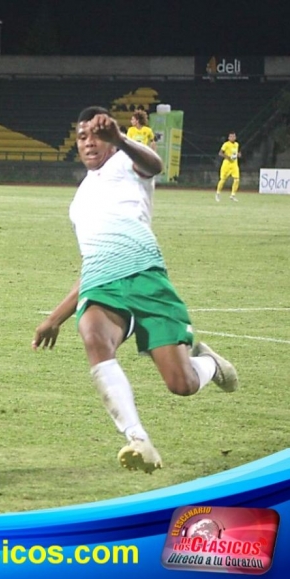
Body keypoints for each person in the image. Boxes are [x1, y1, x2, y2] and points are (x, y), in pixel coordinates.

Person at [32, 106, 238, 474]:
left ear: (109, 137)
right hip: (103, 284)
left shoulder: (128, 163)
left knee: (181, 384)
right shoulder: (78, 202)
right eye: (82, 137)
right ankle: (138, 439)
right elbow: (94, 264)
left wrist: (121, 139)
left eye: (96, 135)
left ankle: (208, 364)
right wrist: (54, 318)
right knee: (93, 335)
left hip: (145, 277)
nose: (89, 143)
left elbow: (155, 165)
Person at [216, 132, 241, 202]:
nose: (233, 138)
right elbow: (220, 153)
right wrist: (228, 157)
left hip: (234, 164)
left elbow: (236, 153)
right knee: (223, 180)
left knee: (237, 179)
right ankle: (218, 194)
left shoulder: (236, 144)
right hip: (226, 164)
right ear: (229, 138)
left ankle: (232, 195)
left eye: (234, 137)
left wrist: (238, 154)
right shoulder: (226, 144)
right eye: (231, 137)